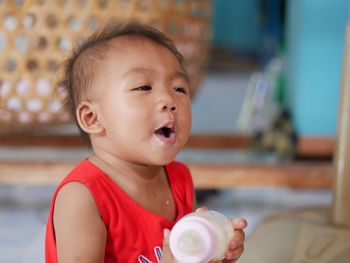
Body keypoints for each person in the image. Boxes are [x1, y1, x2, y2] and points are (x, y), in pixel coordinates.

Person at [45, 21, 247, 263]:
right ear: (92, 118)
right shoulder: (82, 198)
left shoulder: (180, 179)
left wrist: (213, 248)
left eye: (179, 89)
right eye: (143, 87)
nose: (168, 100)